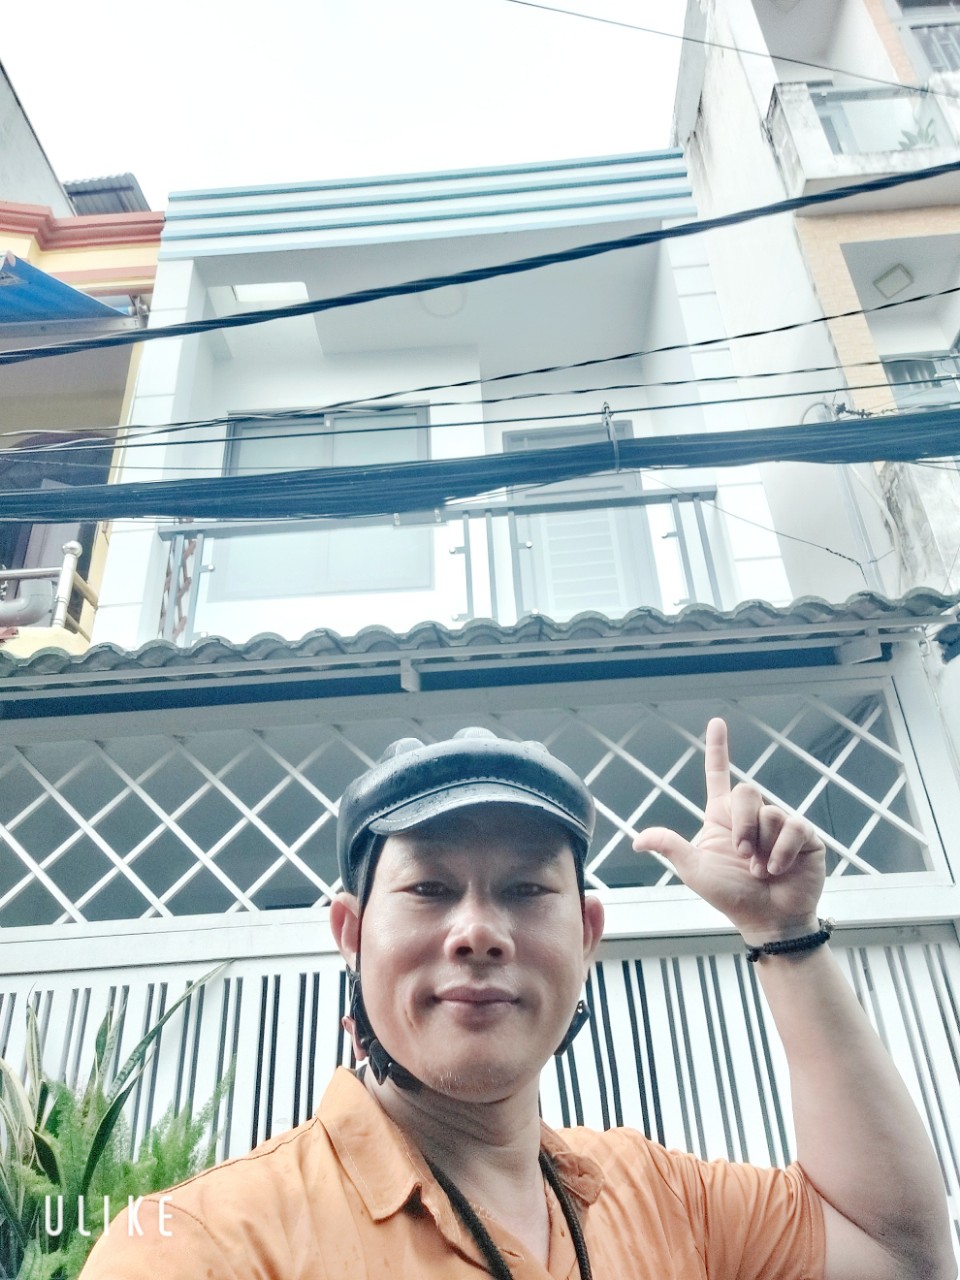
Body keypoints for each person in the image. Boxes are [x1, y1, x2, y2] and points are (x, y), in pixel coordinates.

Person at [80, 719, 955, 1280]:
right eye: (429, 889)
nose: (478, 932)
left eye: (526, 890)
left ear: (587, 932)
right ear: (349, 931)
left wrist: (783, 932)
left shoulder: (659, 1196)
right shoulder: (200, 1244)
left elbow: (899, 1255)